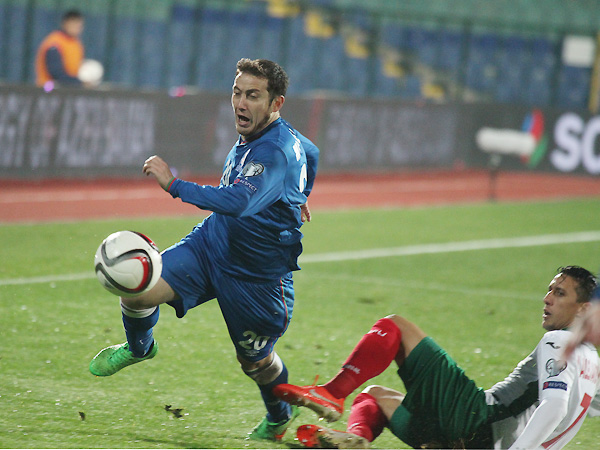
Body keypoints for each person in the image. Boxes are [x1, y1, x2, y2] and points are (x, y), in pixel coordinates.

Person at [89, 58, 319, 442]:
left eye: (253, 96)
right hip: (211, 244)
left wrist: (174, 185)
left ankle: (280, 417)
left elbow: (239, 201)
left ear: (276, 103)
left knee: (255, 364)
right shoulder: (269, 135)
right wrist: (299, 194)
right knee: (137, 287)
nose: (241, 103)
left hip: (256, 279)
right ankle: (139, 348)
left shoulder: (275, 151)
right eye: (237, 92)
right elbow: (311, 153)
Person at [274, 266, 600, 449]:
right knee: (373, 397)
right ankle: (356, 439)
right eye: (549, 289)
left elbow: (555, 406)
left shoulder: (559, 340)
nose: (546, 298)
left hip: (478, 419)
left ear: (583, 309)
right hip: (476, 441)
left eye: (559, 293)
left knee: (394, 327)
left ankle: (331, 394)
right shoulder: (592, 362)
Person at [35, 9, 85, 87]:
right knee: (52, 87)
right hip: (47, 87)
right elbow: (56, 73)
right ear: (64, 24)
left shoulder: (77, 44)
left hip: (68, 87)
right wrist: (81, 83)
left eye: (78, 26)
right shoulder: (54, 43)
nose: (76, 28)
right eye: (73, 25)